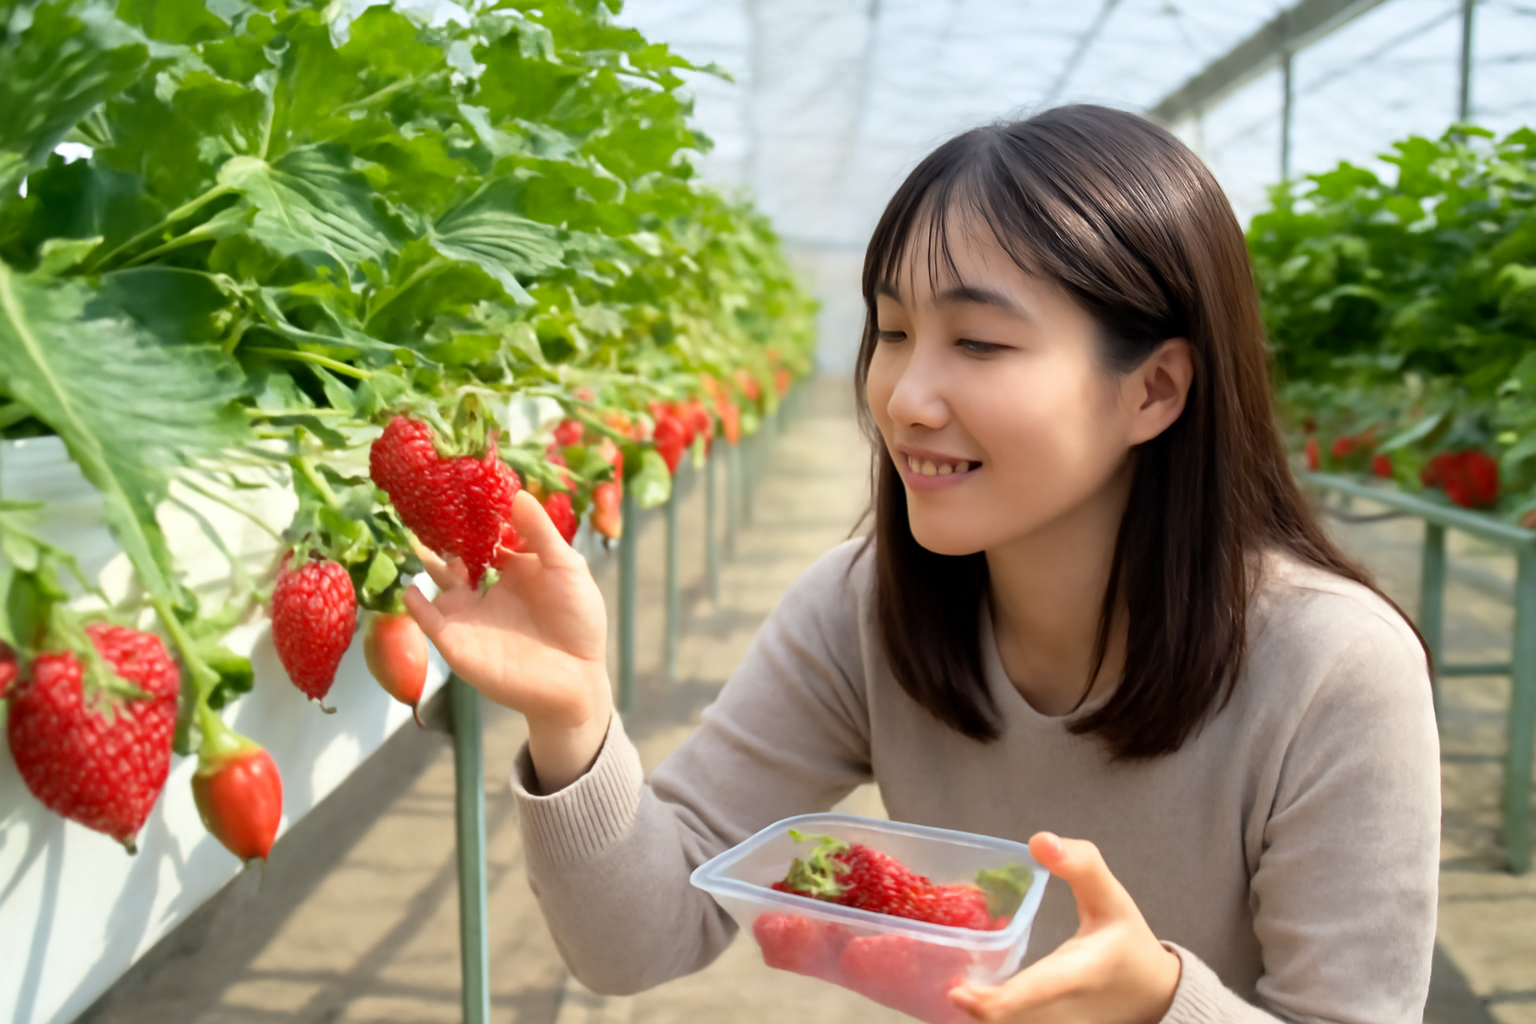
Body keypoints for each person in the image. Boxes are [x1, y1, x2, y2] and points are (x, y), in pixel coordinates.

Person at [405, 104, 1440, 1023]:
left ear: (1155, 390)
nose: (902, 396)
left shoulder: (1333, 669)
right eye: (893, 330)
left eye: (979, 343)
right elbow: (642, 936)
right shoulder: (864, 607)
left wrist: (1160, 1004)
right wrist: (575, 720)